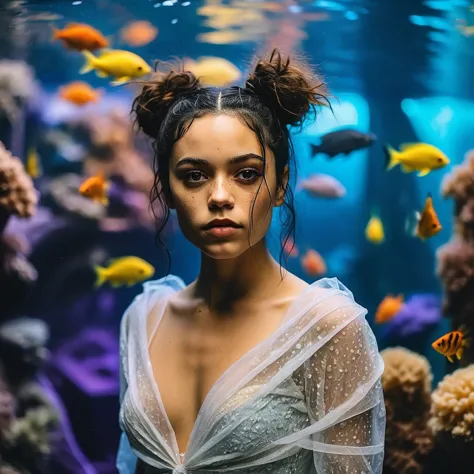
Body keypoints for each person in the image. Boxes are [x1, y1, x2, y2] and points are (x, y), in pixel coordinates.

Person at [116, 49, 385, 474]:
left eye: (246, 174)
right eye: (194, 175)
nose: (219, 196)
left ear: (280, 186)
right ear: (165, 189)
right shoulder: (141, 322)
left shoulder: (326, 328)